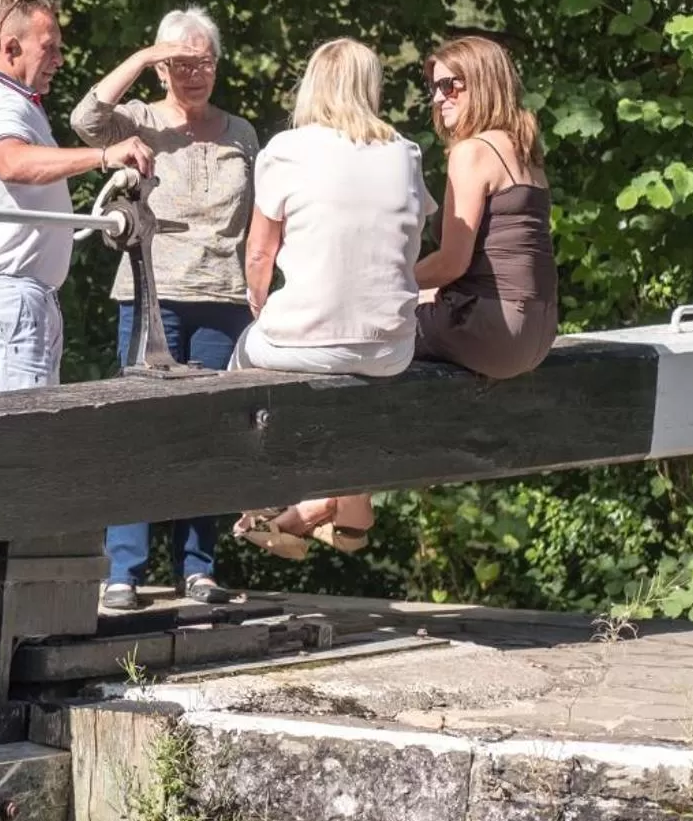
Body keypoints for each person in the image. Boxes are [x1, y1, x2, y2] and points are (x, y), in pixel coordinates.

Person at [71, 8, 259, 610]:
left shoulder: (241, 133)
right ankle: (122, 571)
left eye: (205, 62)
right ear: (161, 68)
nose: (194, 74)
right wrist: (145, 56)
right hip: (150, 292)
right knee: (140, 430)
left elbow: (261, 216)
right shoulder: (140, 120)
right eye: (181, 63)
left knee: (209, 433)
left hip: (224, 298)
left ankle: (198, 569)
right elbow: (84, 119)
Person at [230, 38, 434, 558]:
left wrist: (260, 305)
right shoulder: (405, 152)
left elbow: (259, 254)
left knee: (242, 361)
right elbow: (408, 242)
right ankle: (344, 513)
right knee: (355, 380)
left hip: (306, 338)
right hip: (390, 347)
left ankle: (263, 501)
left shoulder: (286, 150)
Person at [0, 0, 152, 394]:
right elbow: (10, 162)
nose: (59, 60)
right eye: (49, 47)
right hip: (11, 300)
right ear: (10, 46)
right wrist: (104, 155)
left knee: (7, 427)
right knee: (21, 430)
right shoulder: (2, 103)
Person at [413, 35, 558, 377]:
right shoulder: (525, 150)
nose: (438, 98)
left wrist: (390, 280)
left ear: (481, 83)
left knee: (369, 327)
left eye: (449, 86)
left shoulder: (473, 151)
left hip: (493, 330)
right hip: (538, 331)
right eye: (434, 87)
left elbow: (451, 263)